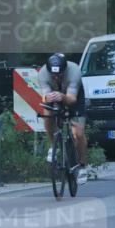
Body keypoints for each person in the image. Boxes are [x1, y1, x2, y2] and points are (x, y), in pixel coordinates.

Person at [39, 53, 89, 185]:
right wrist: (47, 98)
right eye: (53, 75)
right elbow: (44, 96)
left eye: (59, 74)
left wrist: (63, 97)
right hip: (55, 95)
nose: (55, 77)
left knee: (78, 132)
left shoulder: (74, 71)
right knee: (47, 114)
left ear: (64, 70)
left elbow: (72, 99)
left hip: (73, 96)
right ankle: (54, 145)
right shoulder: (43, 73)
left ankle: (82, 165)